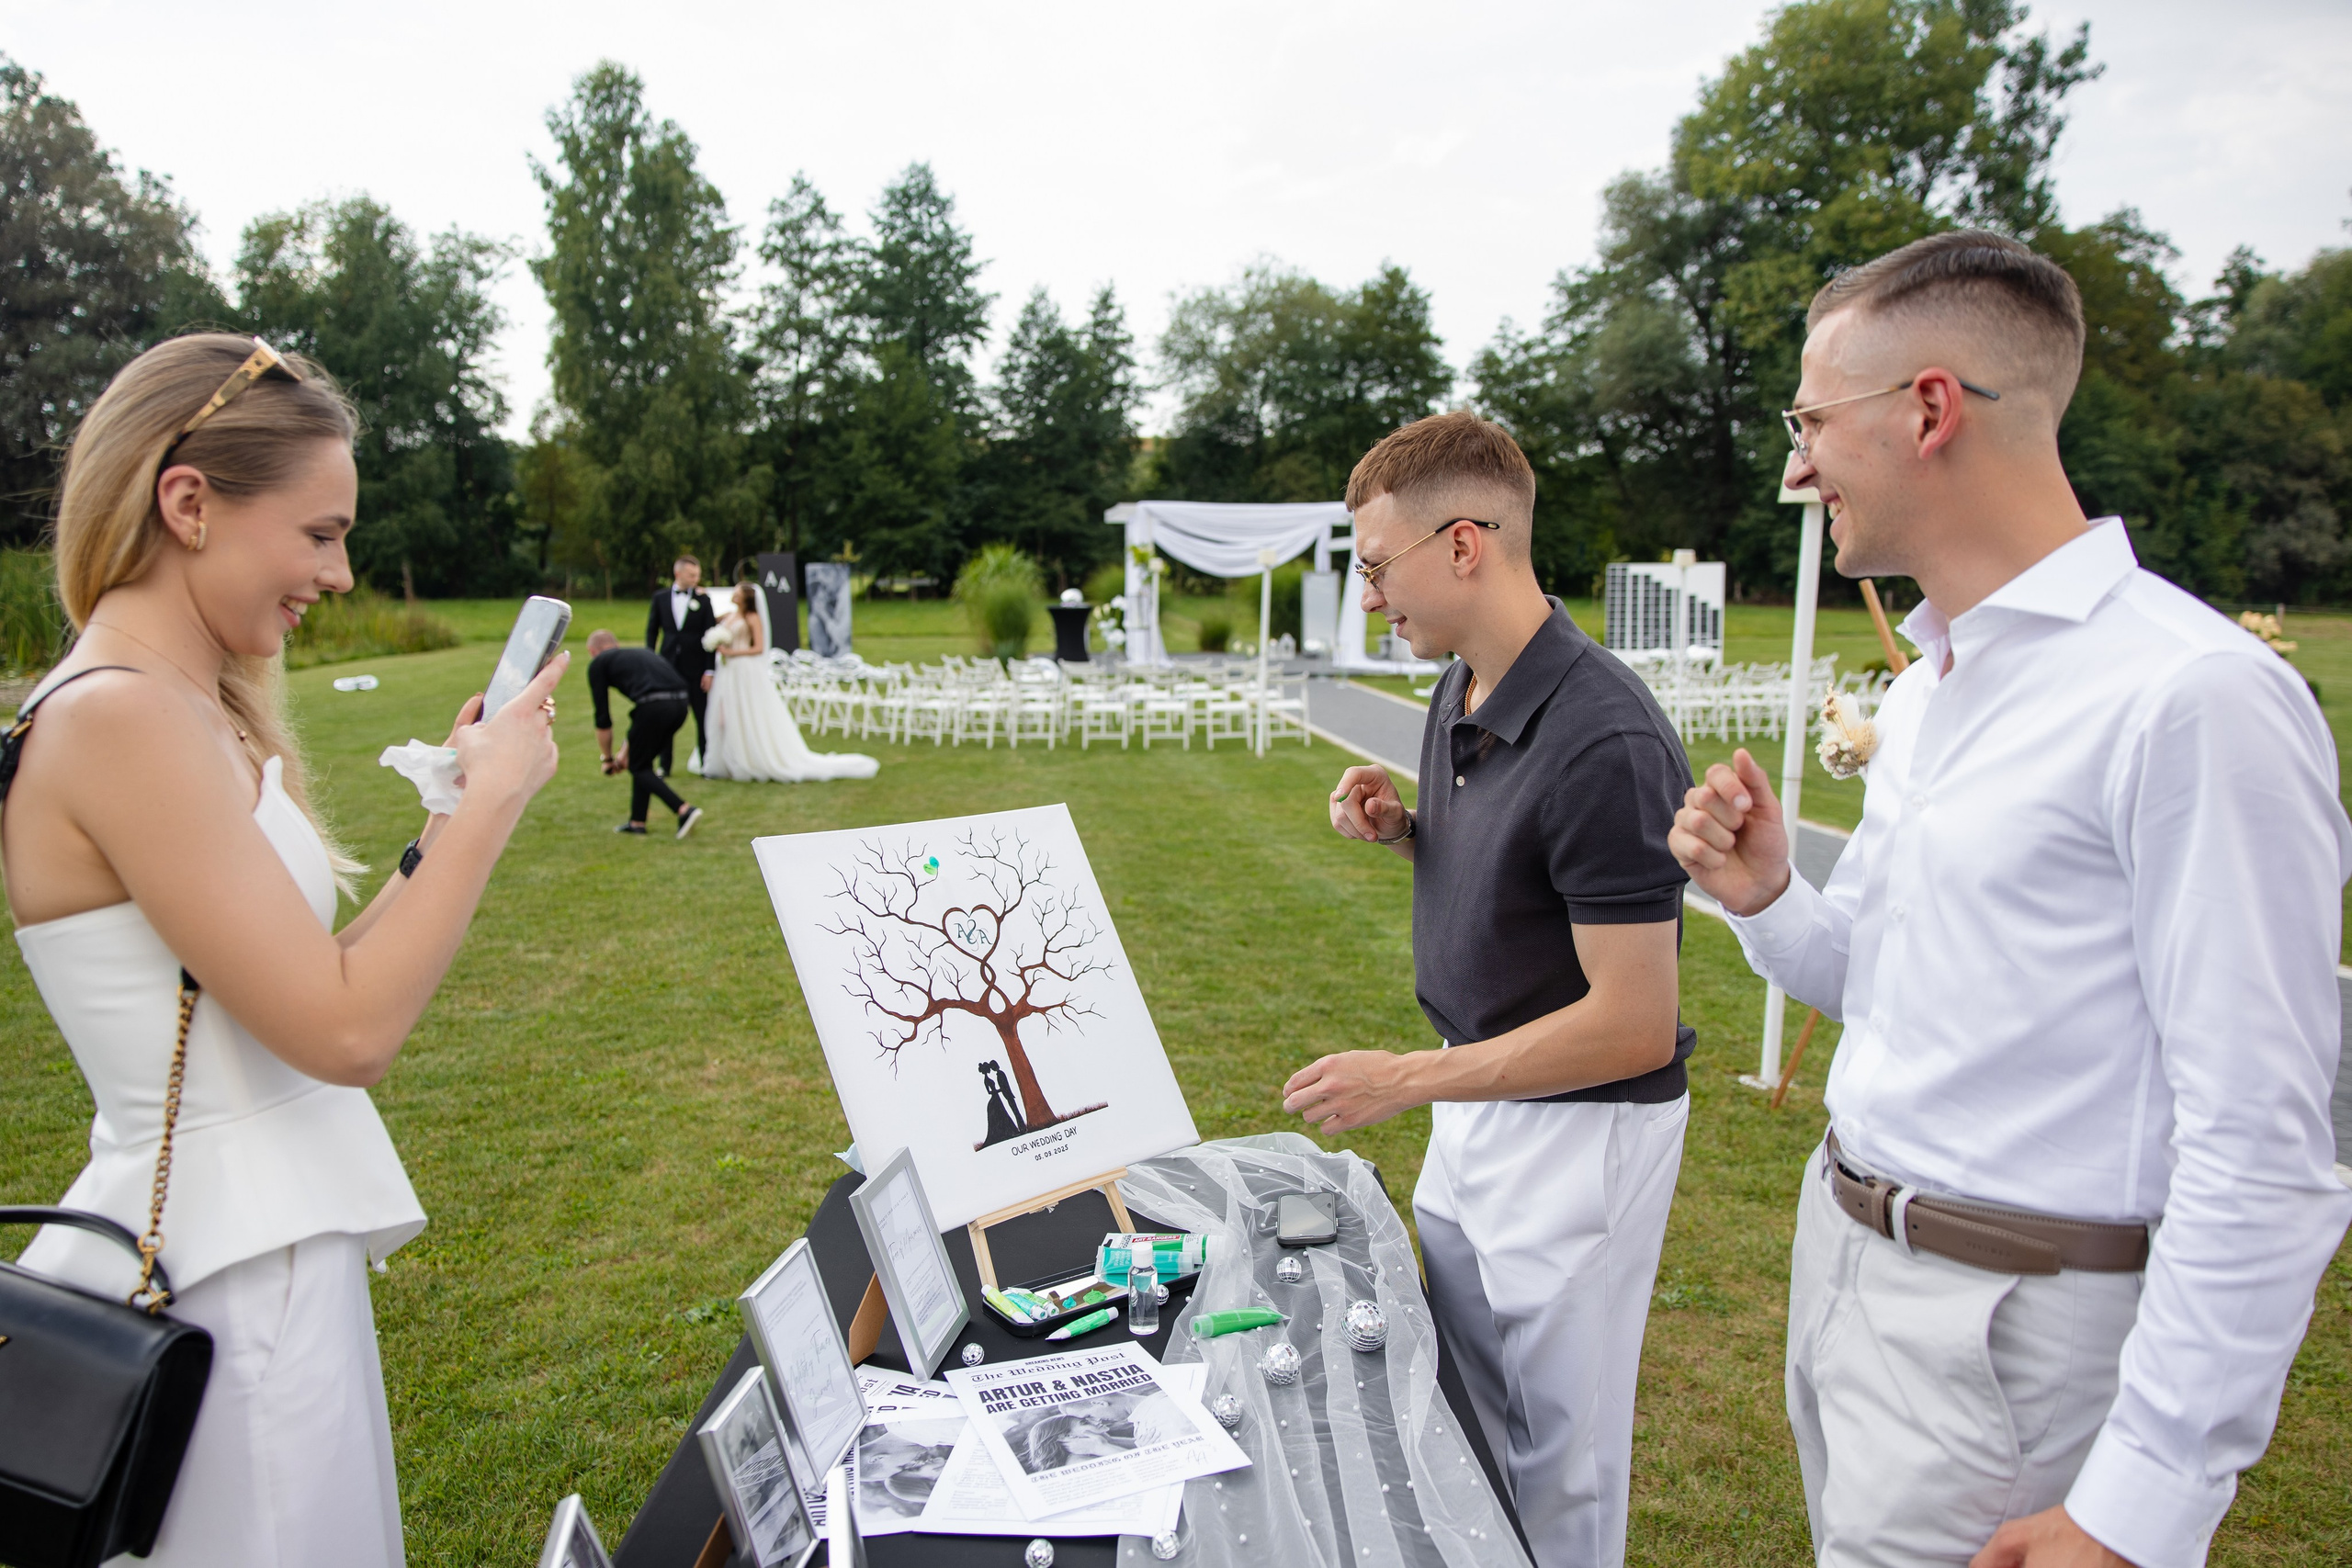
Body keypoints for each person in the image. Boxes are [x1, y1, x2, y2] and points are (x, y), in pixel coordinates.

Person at [1669, 231, 2352, 1568]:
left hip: (2019, 1330)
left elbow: (2263, 1140)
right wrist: (1766, 898)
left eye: (1811, 422)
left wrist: (2140, 1499)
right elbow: (1886, 985)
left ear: (1929, 408)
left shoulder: (2192, 697)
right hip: (1852, 1262)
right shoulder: (1930, 690)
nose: (1796, 468)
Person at [1, 333, 566, 1567]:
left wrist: (452, 815)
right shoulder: (121, 719)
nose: (343, 571)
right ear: (190, 503)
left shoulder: (166, 707)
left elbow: (304, 986)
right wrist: (488, 808)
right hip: (231, 1281)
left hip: (257, 1249)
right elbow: (347, 1028)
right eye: (319, 533)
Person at [1283, 411, 1692, 1568]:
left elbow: (1630, 1021)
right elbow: (1529, 882)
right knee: (1462, 1425)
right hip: (1479, 1117)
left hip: (1574, 1138)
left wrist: (1404, 1080)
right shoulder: (1461, 679)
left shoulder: (1606, 737)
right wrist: (1413, 833)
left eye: (1376, 569)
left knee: (1555, 1467)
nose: (1368, 599)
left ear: (1463, 546)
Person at [698, 581, 878, 783]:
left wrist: (732, 652)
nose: (734, 594)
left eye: (738, 592)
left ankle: (749, 759)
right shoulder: (731, 615)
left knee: (746, 714)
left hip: (744, 670)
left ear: (745, 597)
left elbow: (759, 647)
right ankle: (725, 760)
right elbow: (710, 618)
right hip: (728, 672)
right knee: (724, 716)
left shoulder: (752, 617)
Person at [586, 628, 705, 839]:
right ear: (616, 645)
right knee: (642, 762)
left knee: (638, 766)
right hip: (679, 705)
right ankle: (637, 822)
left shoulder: (599, 663)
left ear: (592, 651)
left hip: (654, 707)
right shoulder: (641, 654)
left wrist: (607, 759)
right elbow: (640, 718)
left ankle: (684, 810)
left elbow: (602, 718)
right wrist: (625, 752)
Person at [646, 554, 718, 774]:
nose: (696, 579)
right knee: (666, 716)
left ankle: (706, 762)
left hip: (696, 667)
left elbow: (710, 636)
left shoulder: (703, 601)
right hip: (667, 666)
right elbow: (652, 630)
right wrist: (651, 660)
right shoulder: (660, 598)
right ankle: (664, 765)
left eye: (697, 575)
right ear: (678, 574)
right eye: (691, 574)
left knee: (702, 715)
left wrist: (709, 670)